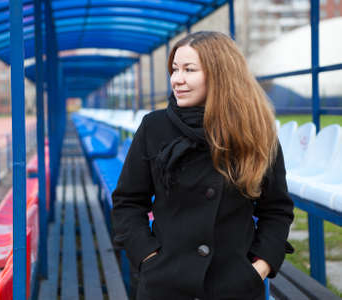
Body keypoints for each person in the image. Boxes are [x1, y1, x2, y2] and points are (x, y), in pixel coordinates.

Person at [111, 31, 294, 300]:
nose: (177, 79)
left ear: (220, 74)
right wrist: (148, 259)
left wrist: (260, 268)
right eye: (174, 69)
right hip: (166, 286)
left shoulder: (256, 131)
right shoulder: (154, 127)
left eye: (189, 69)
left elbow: (276, 209)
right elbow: (128, 202)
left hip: (234, 287)